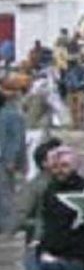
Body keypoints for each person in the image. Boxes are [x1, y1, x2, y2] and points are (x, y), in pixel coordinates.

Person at [14, 137, 63, 270]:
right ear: (44, 163)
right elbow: (18, 219)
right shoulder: (35, 187)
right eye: (56, 157)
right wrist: (42, 224)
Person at [0, 86, 27, 232]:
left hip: (4, 160)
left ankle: (7, 225)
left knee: (5, 193)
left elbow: (16, 140)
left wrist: (12, 159)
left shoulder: (12, 116)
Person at [64, 55, 84, 131]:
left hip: (79, 91)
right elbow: (65, 80)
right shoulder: (68, 71)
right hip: (70, 91)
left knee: (81, 108)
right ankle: (74, 124)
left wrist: (79, 85)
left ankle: (82, 124)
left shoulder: (81, 70)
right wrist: (68, 84)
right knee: (72, 109)